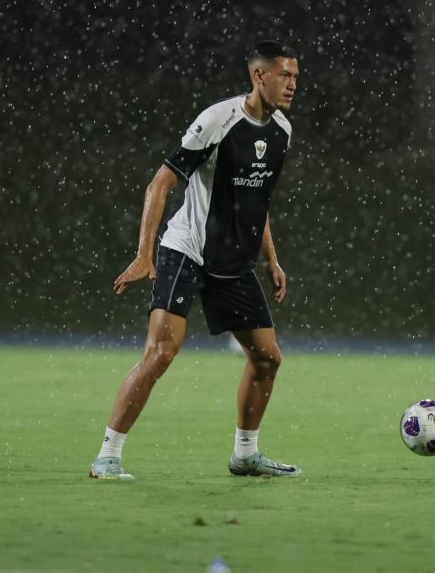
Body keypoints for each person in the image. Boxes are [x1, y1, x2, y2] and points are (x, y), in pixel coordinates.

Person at [89, 42, 302, 479]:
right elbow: (159, 185)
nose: (293, 84)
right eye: (285, 75)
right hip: (186, 251)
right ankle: (107, 456)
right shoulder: (217, 121)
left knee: (268, 359)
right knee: (161, 353)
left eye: (296, 76)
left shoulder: (282, 130)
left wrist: (272, 259)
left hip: (234, 264)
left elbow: (258, 202)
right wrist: (144, 254)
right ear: (259, 76)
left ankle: (245, 454)